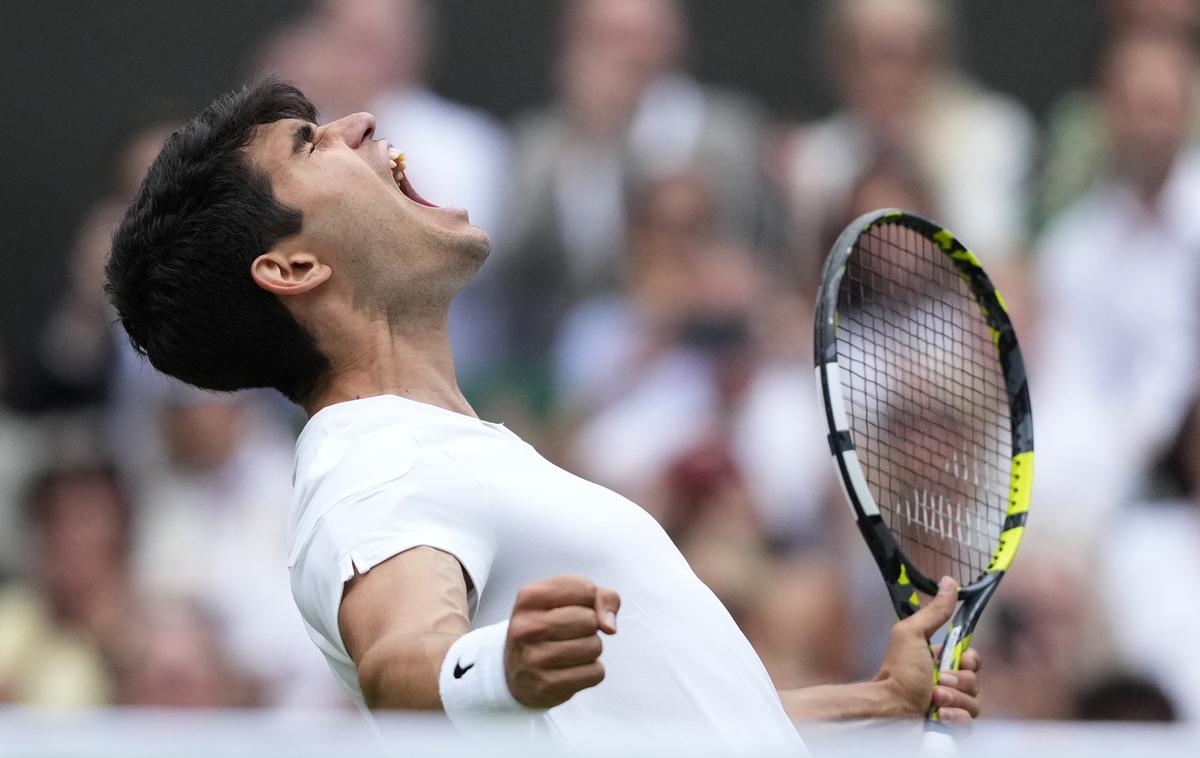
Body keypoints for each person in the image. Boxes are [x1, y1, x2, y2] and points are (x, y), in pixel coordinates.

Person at [105, 79, 981, 750]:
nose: (359, 126)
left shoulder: (450, 455)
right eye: (309, 143)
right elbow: (397, 657)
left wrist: (873, 703)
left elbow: (678, 731)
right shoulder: (370, 463)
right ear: (292, 269)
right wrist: (500, 665)